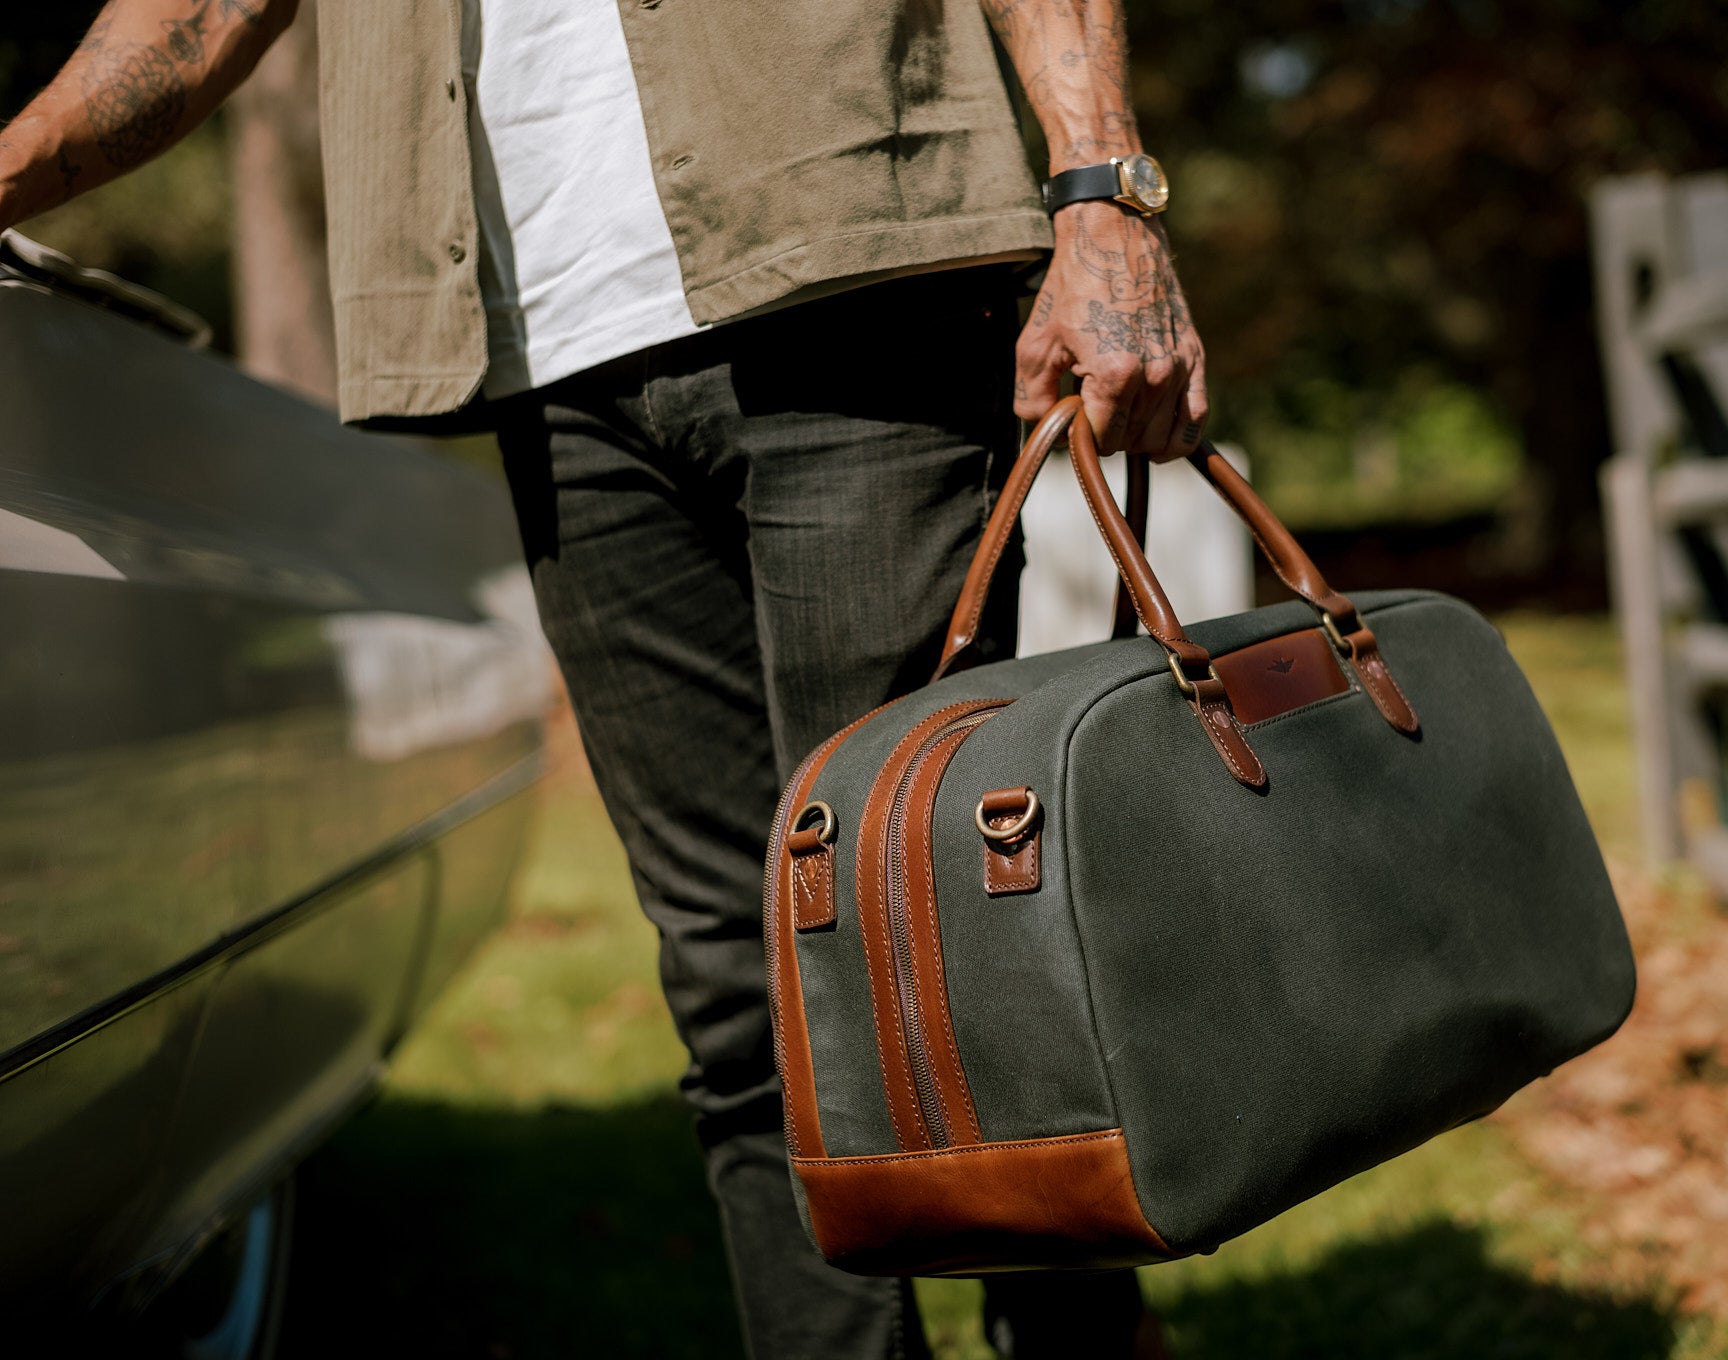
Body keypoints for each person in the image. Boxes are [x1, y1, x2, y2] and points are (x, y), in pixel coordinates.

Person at [0, 1, 1206, 1354]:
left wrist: (1103, 190)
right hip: (548, 354)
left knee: (927, 922)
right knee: (732, 976)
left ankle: (1078, 1339)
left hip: (848, 261)